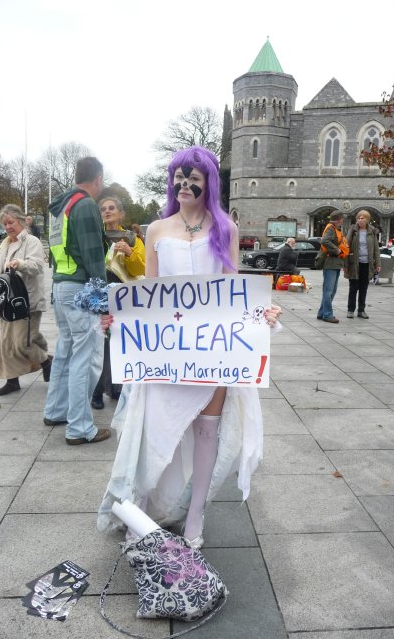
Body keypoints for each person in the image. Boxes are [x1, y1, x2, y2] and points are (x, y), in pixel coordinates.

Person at [97, 146, 282, 549]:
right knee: (155, 430)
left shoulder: (225, 229)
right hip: (165, 350)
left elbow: (234, 291)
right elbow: (149, 293)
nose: (183, 184)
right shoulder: (157, 229)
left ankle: (195, 515)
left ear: (208, 182)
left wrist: (261, 314)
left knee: (206, 432)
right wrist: (120, 318)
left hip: (214, 350)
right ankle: (140, 510)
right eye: (178, 176)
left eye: (192, 177)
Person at [43, 156, 111, 446]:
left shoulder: (61, 209)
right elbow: (93, 255)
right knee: (87, 358)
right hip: (81, 290)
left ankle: (56, 411)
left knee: (65, 353)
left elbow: (56, 253)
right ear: (98, 178)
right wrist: (103, 300)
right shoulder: (85, 206)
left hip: (61, 286)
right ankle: (80, 428)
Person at [0, 204, 51, 396]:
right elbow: (1, 270)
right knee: (7, 342)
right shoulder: (5, 244)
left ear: (21, 221)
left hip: (27, 300)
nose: (7, 227)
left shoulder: (32, 242)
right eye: (4, 223)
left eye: (11, 222)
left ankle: (47, 361)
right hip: (6, 301)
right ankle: (12, 381)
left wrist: (20, 264)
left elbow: (37, 266)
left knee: (24, 343)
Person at [91, 197, 146, 410]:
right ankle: (96, 392)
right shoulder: (96, 237)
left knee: (119, 343)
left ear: (121, 214)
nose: (107, 212)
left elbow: (140, 270)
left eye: (112, 208)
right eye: (103, 209)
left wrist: (130, 253)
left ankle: (117, 387)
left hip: (123, 298)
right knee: (99, 343)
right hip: (98, 295)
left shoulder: (131, 238)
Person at [345, 210, 381, 319]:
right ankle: (350, 310)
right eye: (359, 218)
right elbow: (346, 246)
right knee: (353, 288)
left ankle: (361, 310)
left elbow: (376, 249)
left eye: (363, 218)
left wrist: (378, 263)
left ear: (367, 220)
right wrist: (345, 264)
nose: (360, 220)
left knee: (363, 288)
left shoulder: (372, 231)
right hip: (354, 263)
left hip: (367, 264)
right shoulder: (353, 230)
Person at [317, 211, 349, 324]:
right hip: (330, 262)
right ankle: (328, 314)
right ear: (338, 219)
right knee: (329, 290)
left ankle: (322, 313)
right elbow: (324, 240)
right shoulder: (331, 228)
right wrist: (337, 250)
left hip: (335, 263)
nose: (343, 220)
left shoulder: (335, 228)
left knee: (331, 290)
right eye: (342, 219)